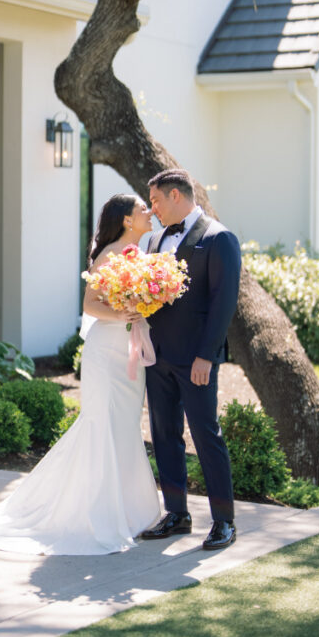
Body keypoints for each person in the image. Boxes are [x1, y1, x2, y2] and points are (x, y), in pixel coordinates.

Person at [0, 194, 160, 555]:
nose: (149, 211)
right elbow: (90, 305)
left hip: (129, 351)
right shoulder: (110, 254)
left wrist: (145, 305)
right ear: (128, 220)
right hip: (106, 352)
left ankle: (130, 512)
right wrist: (124, 316)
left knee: (126, 427)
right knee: (101, 425)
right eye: (142, 209)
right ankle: (96, 515)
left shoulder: (145, 258)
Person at [141, 168, 242, 551]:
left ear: (175, 196)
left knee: (205, 435)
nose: (152, 210)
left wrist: (206, 356)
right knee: (164, 435)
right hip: (158, 356)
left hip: (195, 360)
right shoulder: (154, 241)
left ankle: (224, 521)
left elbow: (222, 305)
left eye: (155, 201)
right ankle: (177, 514)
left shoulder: (219, 239)